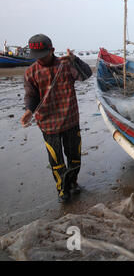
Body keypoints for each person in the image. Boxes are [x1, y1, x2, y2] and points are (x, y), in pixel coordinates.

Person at [20, 34, 92, 203]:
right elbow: (32, 97)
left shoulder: (66, 65)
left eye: (43, 55)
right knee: (56, 160)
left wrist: (75, 59)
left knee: (74, 156)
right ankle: (62, 189)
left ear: (52, 50)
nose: (40, 60)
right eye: (36, 57)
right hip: (48, 124)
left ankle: (73, 183)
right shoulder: (31, 72)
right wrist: (29, 111)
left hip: (70, 120)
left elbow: (86, 75)